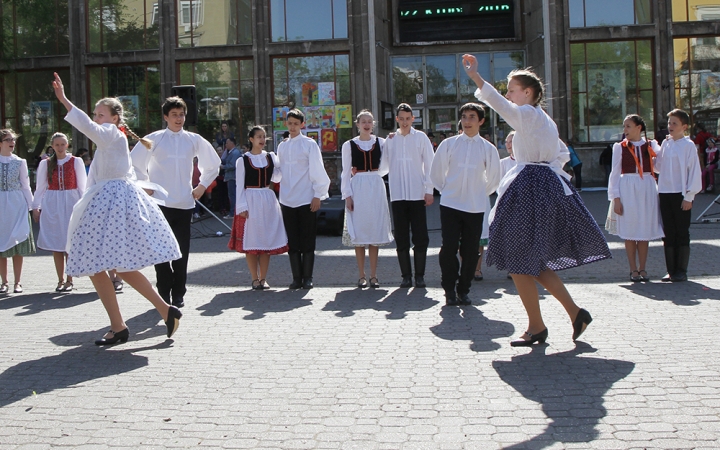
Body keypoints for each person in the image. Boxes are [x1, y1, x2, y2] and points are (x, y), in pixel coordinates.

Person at [463, 54, 611, 346]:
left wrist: (476, 77)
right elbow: (558, 156)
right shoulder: (543, 119)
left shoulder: (529, 114)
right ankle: (573, 313)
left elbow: (499, 104)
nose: (509, 93)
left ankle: (538, 326)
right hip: (541, 186)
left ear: (528, 93)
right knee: (533, 262)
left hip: (530, 188)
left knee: (520, 260)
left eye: (512, 88)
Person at [52, 72, 182, 345]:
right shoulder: (113, 138)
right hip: (108, 201)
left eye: (101, 114)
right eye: (96, 114)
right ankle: (160, 311)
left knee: (99, 264)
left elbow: (89, 128)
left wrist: (65, 100)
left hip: (109, 203)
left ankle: (123, 324)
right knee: (115, 265)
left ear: (114, 118)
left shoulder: (111, 133)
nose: (97, 118)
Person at [131, 97, 221, 308]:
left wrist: (202, 185)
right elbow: (133, 164)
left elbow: (213, 164)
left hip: (183, 203)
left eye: (181, 114)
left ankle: (179, 293)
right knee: (161, 252)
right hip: (158, 205)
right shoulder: (153, 139)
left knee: (181, 251)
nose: (178, 118)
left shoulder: (193, 139)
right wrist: (144, 184)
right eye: (174, 115)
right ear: (165, 117)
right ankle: (163, 294)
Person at [430, 102, 502, 306]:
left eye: (472, 117)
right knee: (449, 247)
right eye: (464, 117)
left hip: (475, 206)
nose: (467, 121)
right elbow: (436, 172)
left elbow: (494, 179)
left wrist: (478, 192)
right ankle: (449, 289)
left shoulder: (488, 148)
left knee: (471, 251)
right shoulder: (449, 144)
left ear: (481, 121)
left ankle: (464, 289)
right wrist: (448, 190)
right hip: (451, 204)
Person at [276, 109, 330, 289]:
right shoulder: (282, 146)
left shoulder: (309, 144)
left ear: (302, 125)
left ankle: (307, 277)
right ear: (286, 124)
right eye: (290, 123)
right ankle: (296, 278)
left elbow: (317, 170)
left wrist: (317, 195)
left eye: (296, 124)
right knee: (292, 241)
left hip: (306, 198)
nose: (292, 127)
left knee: (307, 239)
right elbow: (279, 171)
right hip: (287, 199)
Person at [381, 103, 434, 288]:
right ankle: (406, 276)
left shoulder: (421, 138)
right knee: (401, 237)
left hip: (417, 194)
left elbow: (430, 165)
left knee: (420, 237)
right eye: (401, 119)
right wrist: (365, 172)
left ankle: (420, 275)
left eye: (408, 119)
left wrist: (429, 190)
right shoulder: (391, 139)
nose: (404, 122)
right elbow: (383, 166)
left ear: (413, 119)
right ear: (397, 119)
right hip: (398, 195)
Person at [228, 126, 288, 289]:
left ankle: (263, 278)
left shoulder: (270, 157)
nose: (262, 140)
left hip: (267, 199)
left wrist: (279, 160)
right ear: (251, 139)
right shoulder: (243, 160)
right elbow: (239, 186)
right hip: (251, 199)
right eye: (258, 137)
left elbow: (276, 178)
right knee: (252, 240)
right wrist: (241, 206)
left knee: (266, 241)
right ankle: (254, 278)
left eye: (264, 137)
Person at [606, 115, 663, 282]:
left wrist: (661, 150)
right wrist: (615, 198)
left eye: (628, 126)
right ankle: (633, 269)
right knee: (630, 231)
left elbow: (660, 166)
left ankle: (643, 268)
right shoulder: (620, 147)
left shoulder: (651, 145)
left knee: (643, 231)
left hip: (647, 188)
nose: (625, 130)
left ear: (639, 127)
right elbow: (614, 174)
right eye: (624, 126)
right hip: (628, 188)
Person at [341, 110, 394, 289]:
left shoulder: (382, 142)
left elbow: (387, 164)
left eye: (369, 121)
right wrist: (347, 195)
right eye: (363, 121)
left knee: (373, 231)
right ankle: (361, 275)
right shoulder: (349, 145)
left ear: (373, 124)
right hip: (358, 187)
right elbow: (345, 172)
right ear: (357, 124)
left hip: (376, 185)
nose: (366, 124)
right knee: (360, 232)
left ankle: (373, 275)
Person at [32, 132, 87, 292]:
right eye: (57, 145)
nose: (60, 147)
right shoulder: (46, 163)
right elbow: (41, 186)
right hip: (53, 203)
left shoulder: (76, 161)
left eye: (63, 144)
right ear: (52, 146)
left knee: (69, 242)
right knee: (57, 243)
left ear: (67, 145)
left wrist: (84, 206)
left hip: (71, 201)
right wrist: (36, 206)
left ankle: (70, 279)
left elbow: (82, 186)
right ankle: (60, 279)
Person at [655, 109, 702, 282]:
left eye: (674, 123)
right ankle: (671, 270)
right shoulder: (666, 144)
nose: (670, 126)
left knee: (681, 231)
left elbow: (694, 172)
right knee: (668, 232)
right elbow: (658, 167)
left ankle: (681, 270)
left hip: (681, 194)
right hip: (665, 193)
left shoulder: (688, 145)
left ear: (684, 126)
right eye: (669, 123)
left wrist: (689, 196)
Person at [476, 130, 517, 282]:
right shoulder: (503, 163)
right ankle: (511, 268)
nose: (508, 145)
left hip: (523, 206)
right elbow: (495, 182)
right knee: (509, 238)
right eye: (507, 142)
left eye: (511, 142)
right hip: (506, 205)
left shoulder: (525, 162)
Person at [0, 129, 35, 294]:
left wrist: (33, 207)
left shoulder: (20, 162)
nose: (11, 142)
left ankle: (17, 282)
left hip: (16, 204)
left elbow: (25, 186)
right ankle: (4, 281)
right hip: (1, 205)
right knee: (1, 246)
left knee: (17, 242)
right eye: (7, 139)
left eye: (12, 139)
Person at [221, 136, 242, 219]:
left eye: (227, 143)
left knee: (233, 195)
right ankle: (233, 212)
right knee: (232, 195)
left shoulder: (235, 153)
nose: (226, 144)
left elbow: (233, 165)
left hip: (233, 177)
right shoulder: (230, 152)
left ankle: (233, 213)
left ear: (232, 143)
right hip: (231, 177)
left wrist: (223, 167)